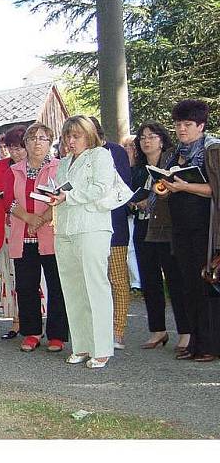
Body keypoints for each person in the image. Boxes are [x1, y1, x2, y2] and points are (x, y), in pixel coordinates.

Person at [49, 115, 115, 369]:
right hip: (65, 228)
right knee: (73, 288)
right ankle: (82, 345)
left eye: (76, 136)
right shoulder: (63, 162)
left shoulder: (100, 156)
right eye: (67, 136)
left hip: (92, 228)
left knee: (95, 287)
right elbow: (62, 191)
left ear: (89, 135)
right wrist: (55, 196)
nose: (71, 141)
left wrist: (69, 196)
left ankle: (102, 348)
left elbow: (101, 188)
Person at [160, 100, 220, 362]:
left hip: (207, 228)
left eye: (187, 124)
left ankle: (210, 345)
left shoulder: (212, 150)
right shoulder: (177, 153)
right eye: (177, 124)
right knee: (189, 286)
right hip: (182, 227)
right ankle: (196, 342)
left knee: (207, 284)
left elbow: (214, 190)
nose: (181, 129)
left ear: (201, 125)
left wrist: (185, 188)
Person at [6, 123, 69, 353]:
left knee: (56, 285)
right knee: (26, 286)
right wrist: (28, 218)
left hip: (50, 234)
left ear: (50, 141)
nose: (37, 142)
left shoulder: (60, 167)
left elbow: (65, 196)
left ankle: (57, 335)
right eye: (32, 138)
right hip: (22, 236)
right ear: (26, 143)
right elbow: (7, 200)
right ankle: (31, 332)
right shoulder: (14, 169)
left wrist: (41, 219)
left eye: (42, 138)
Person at [129, 122, 190, 350]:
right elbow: (127, 198)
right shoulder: (137, 170)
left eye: (152, 136)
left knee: (175, 281)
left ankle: (185, 332)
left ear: (162, 140)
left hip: (166, 230)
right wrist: (136, 204)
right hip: (143, 228)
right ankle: (157, 330)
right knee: (149, 282)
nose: (146, 141)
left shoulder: (173, 165)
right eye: (142, 137)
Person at [90, 117, 133, 350]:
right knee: (94, 280)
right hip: (87, 228)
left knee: (117, 280)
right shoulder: (77, 157)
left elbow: (122, 187)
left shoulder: (115, 151)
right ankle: (97, 329)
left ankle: (117, 330)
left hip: (114, 225)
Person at [0, 125, 28, 339]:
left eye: (20, 147)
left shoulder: (34, 166)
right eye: (11, 148)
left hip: (30, 225)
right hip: (6, 226)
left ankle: (34, 320)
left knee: (30, 276)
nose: (16, 152)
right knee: (9, 275)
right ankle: (16, 320)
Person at [121, 135, 142, 291]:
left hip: (138, 213)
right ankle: (135, 280)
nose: (127, 149)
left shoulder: (140, 167)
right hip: (126, 212)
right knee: (129, 248)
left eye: (130, 146)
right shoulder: (122, 167)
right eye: (125, 146)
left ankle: (138, 281)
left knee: (133, 247)